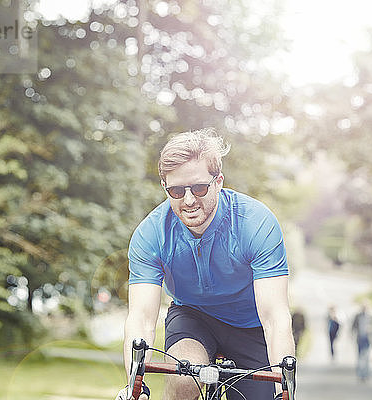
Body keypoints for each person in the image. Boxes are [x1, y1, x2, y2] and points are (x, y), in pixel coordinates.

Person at [115, 128, 296, 400]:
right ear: (165, 188)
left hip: (251, 324)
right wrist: (134, 386)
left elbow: (274, 317)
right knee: (183, 380)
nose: (188, 200)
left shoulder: (256, 223)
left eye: (199, 188)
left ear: (218, 181)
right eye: (176, 191)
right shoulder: (151, 233)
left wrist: (285, 388)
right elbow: (140, 320)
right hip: (193, 317)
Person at [351, 300, 372, 382]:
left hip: (367, 339)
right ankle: (360, 374)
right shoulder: (357, 316)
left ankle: (366, 375)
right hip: (360, 338)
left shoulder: (370, 317)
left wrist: (370, 330)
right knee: (360, 357)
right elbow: (353, 326)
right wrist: (352, 335)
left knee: (367, 357)